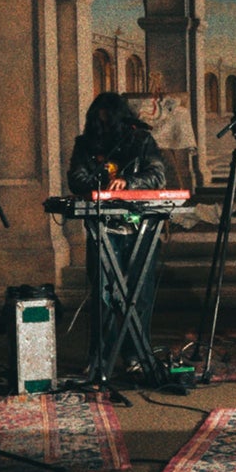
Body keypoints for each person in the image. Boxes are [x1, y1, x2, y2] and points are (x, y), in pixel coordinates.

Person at [68, 92, 169, 366]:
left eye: (108, 123)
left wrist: (129, 183)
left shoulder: (141, 140)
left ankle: (135, 356)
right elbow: (76, 178)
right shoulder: (85, 144)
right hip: (104, 228)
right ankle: (102, 359)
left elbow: (157, 174)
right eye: (98, 123)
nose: (103, 128)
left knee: (140, 295)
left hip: (140, 228)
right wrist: (99, 182)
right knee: (103, 295)